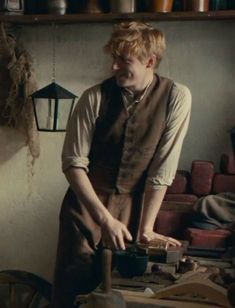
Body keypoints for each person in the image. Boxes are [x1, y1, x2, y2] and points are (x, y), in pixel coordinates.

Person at [52, 21, 191, 308]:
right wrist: (104, 218)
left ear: (150, 61)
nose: (114, 67)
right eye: (113, 58)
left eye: (124, 60)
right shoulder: (93, 98)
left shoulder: (177, 97)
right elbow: (73, 164)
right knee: (74, 292)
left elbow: (162, 169)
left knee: (125, 293)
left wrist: (147, 228)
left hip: (135, 208)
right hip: (86, 208)